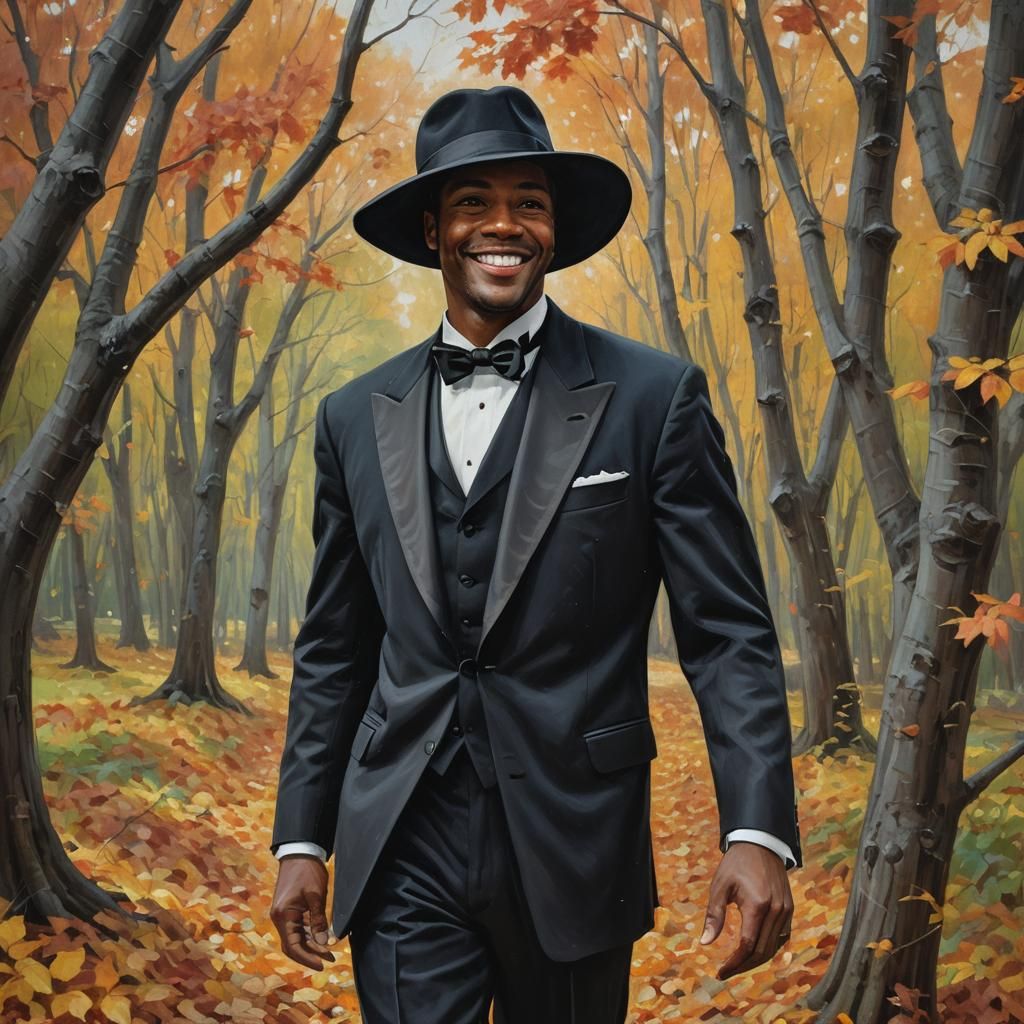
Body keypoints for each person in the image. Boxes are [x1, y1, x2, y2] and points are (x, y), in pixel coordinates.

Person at [269, 85, 801, 1023]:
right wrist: (300, 841)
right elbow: (335, 650)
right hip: (402, 833)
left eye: (530, 202)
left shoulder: (653, 398)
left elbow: (727, 633)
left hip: (574, 836)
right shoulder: (352, 418)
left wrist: (756, 829)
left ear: (554, 231)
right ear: (434, 229)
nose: (503, 224)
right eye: (473, 202)